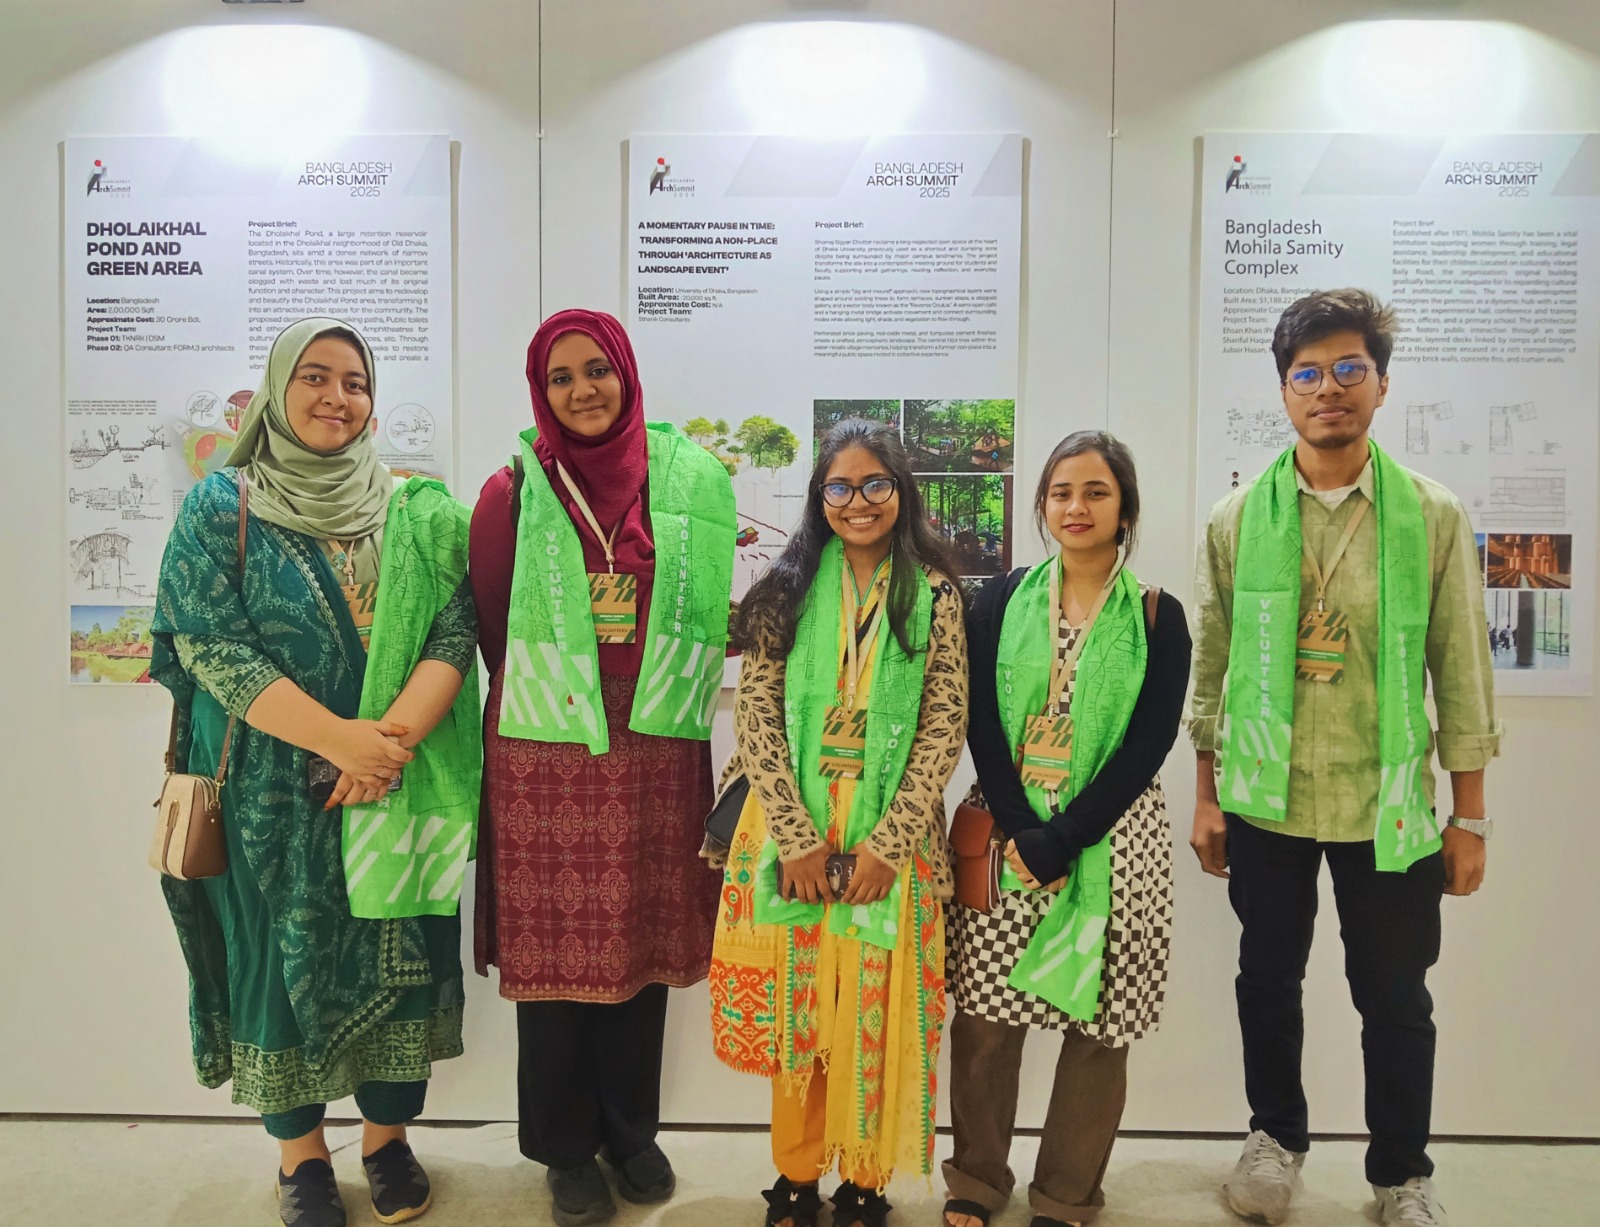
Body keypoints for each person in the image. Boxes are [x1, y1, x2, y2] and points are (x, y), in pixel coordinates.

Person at [151, 318, 481, 1227]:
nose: (338, 397)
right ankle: (300, 1157)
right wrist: (341, 740)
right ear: (275, 389)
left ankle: (386, 1141)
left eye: (355, 382)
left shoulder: (414, 510)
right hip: (267, 792)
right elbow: (210, 643)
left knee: (402, 950)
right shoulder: (221, 506)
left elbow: (455, 628)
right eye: (315, 377)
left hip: (397, 780)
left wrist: (386, 746)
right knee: (276, 962)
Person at [1188, 290, 1499, 1227]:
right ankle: (1274, 1139)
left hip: (1388, 799)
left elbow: (1461, 667)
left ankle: (1402, 1172)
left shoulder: (1431, 515)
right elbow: (1212, 666)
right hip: (1265, 793)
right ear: (1284, 391)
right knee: (1266, 979)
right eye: (1309, 373)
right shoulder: (1237, 518)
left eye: (1349, 369)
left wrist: (1470, 815)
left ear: (1381, 384)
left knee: (1395, 994)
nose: (1329, 388)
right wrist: (1206, 795)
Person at [470, 309, 736, 1227]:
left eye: (597, 369)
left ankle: (630, 1131)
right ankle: (563, 1148)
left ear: (626, 372)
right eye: (561, 376)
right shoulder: (510, 492)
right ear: (540, 392)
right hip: (543, 742)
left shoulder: (688, 483)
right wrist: (566, 688)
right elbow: (494, 623)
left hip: (655, 732)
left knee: (640, 941)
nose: (582, 389)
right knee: (554, 956)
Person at [708, 418, 969, 1227]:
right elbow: (755, 714)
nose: (859, 501)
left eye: (875, 483)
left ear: (901, 490)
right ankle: (795, 1175)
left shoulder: (935, 594)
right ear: (820, 496)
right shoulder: (785, 588)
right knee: (803, 1013)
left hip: (895, 841)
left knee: (875, 1009)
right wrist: (794, 838)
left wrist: (889, 843)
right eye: (841, 486)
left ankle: (865, 1178)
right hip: (795, 833)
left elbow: (945, 721)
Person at [942, 432, 1190, 1227]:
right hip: (1007, 831)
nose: (1076, 507)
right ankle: (978, 1178)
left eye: (1095, 492)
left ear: (1126, 508)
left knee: (1099, 1028)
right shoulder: (1000, 599)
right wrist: (1025, 829)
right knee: (986, 1016)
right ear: (1043, 505)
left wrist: (1067, 834)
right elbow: (980, 719)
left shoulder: (1158, 616)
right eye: (1061, 492)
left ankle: (1066, 1191)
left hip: (1114, 841)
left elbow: (1149, 742)